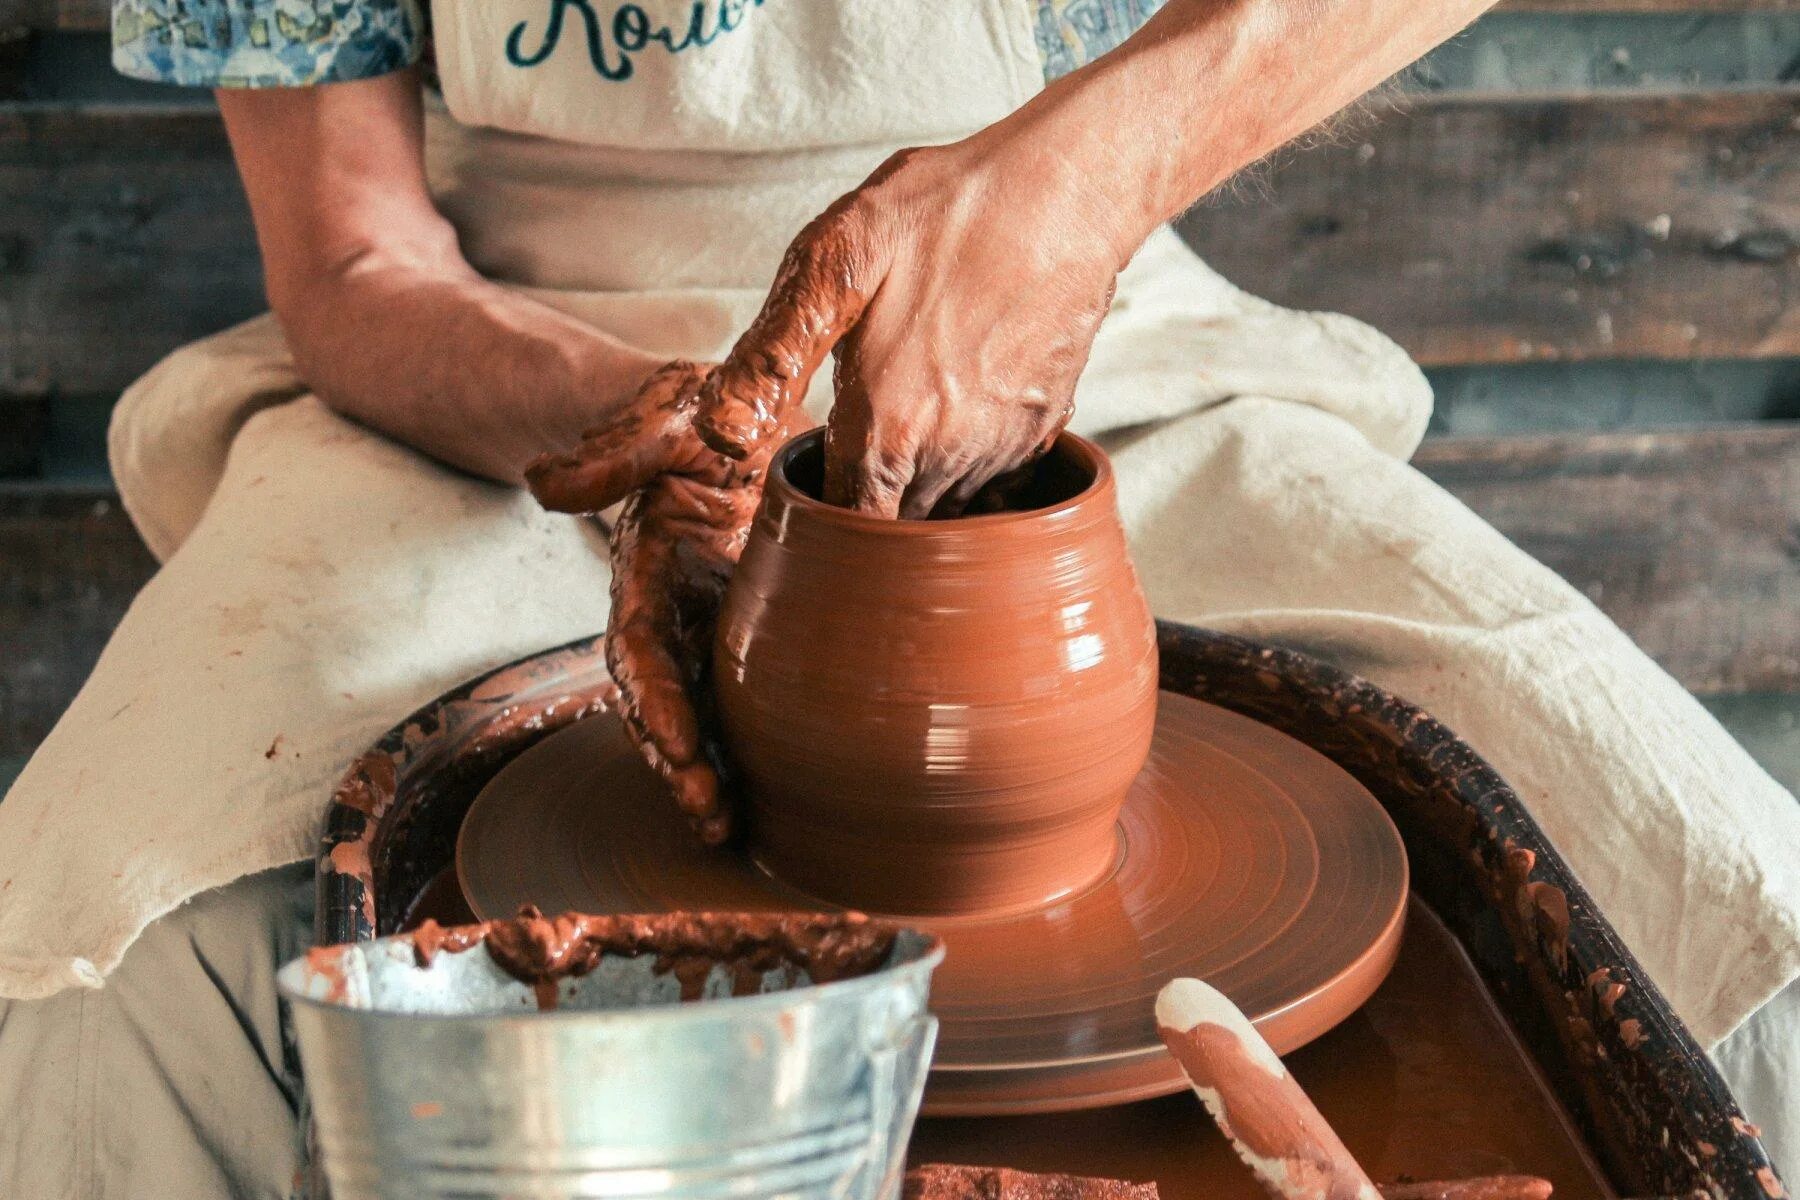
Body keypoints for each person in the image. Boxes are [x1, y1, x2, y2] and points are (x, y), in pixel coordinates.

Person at [2, 0, 1795, 1193]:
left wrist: (1076, 181)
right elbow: (355, 255)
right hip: (519, 360)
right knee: (117, 966)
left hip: (1093, 306)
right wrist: (655, 432)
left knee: (1720, 897)